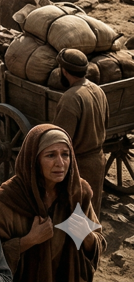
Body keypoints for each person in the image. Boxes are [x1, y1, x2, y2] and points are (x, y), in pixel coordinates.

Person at [0, 124, 103, 281]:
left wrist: (87, 236)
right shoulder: (10, 199)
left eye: (65, 154)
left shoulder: (77, 192)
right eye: (50, 155)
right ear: (34, 160)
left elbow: (98, 241)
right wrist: (28, 241)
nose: (60, 163)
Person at [51, 49, 108, 221]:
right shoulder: (98, 90)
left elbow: (60, 140)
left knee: (73, 216)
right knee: (90, 213)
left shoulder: (71, 98)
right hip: (97, 161)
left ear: (65, 71)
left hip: (78, 166)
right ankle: (88, 246)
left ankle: (77, 248)